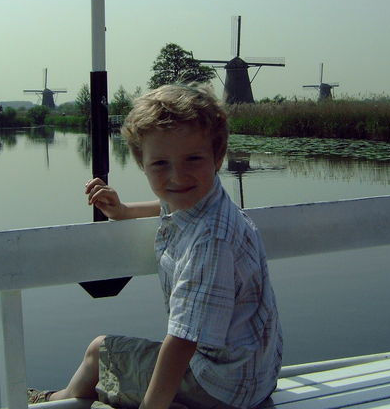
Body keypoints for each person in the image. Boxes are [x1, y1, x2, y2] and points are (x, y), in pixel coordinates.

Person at [28, 83, 282, 409]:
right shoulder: (208, 201)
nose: (177, 175)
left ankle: (51, 401)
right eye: (160, 164)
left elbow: (182, 342)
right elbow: (169, 203)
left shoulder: (209, 244)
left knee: (98, 352)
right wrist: (123, 212)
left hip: (221, 389)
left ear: (217, 157)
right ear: (142, 163)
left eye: (193, 158)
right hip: (256, 376)